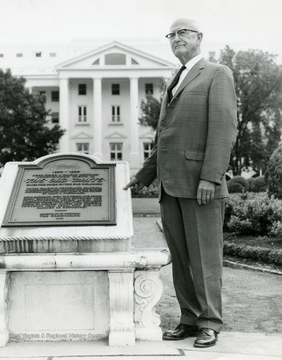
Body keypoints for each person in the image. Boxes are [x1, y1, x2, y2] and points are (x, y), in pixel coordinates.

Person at [124, 18, 237, 348]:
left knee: (205, 258)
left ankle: (210, 322)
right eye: (172, 35)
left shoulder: (217, 73)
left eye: (183, 33)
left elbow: (223, 131)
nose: (177, 38)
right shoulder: (173, 79)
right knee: (182, 259)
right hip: (169, 187)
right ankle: (189, 318)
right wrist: (142, 176)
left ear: (199, 37)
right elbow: (164, 139)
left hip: (201, 186)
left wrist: (210, 178)